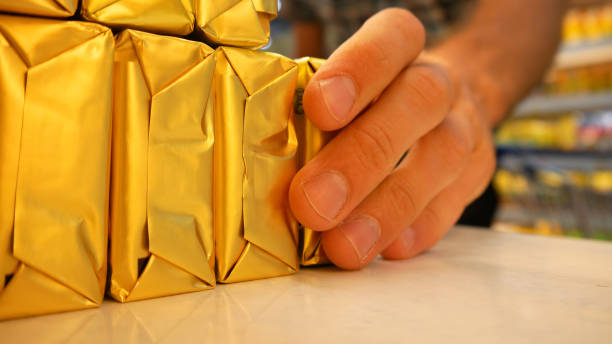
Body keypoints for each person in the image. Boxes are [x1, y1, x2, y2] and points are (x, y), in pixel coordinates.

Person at [284, 0, 569, 270]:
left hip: (450, 173)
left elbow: (533, 10)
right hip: (334, 174)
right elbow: (309, 36)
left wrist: (466, 89)